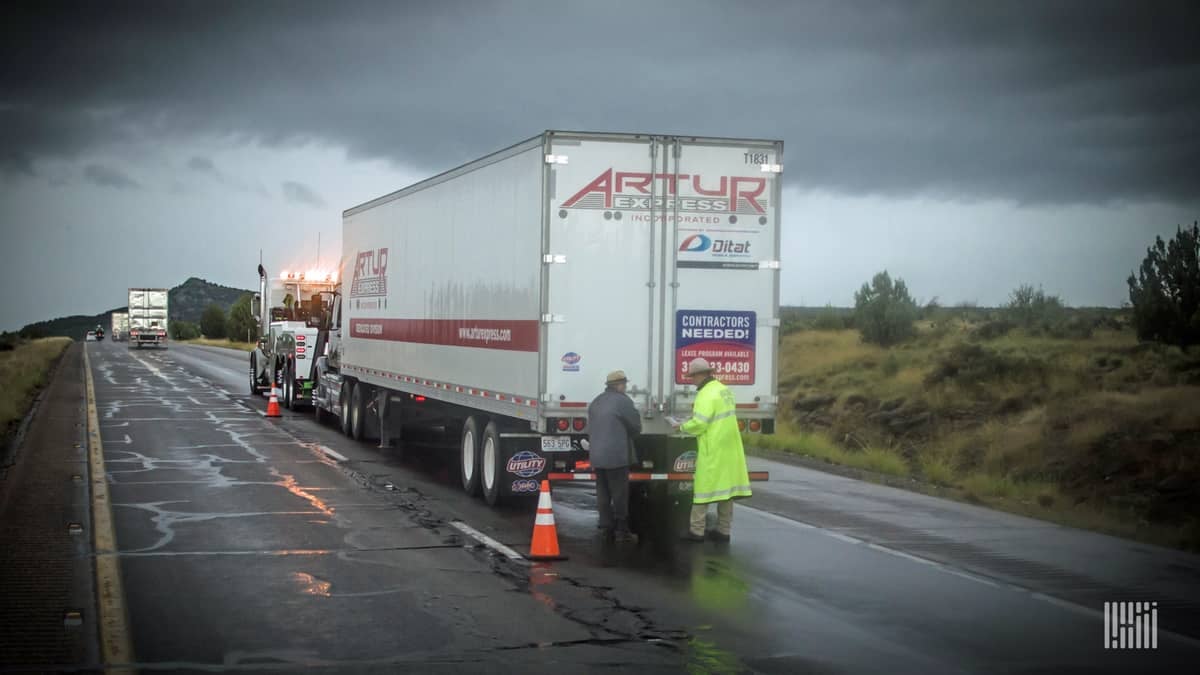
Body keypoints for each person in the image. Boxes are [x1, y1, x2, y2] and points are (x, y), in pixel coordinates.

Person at [674, 357, 752, 543]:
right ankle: (724, 531)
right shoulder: (724, 390)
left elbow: (700, 423)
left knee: (703, 489)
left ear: (701, 375)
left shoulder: (705, 394)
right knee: (726, 490)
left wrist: (682, 426)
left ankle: (696, 532)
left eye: (692, 376)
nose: (691, 380)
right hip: (730, 448)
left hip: (713, 448)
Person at [587, 370, 642, 543]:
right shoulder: (623, 401)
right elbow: (636, 427)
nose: (625, 387)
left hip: (597, 455)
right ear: (619, 385)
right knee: (619, 493)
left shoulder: (596, 401)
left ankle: (605, 527)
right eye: (624, 384)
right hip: (616, 455)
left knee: (602, 492)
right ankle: (622, 530)